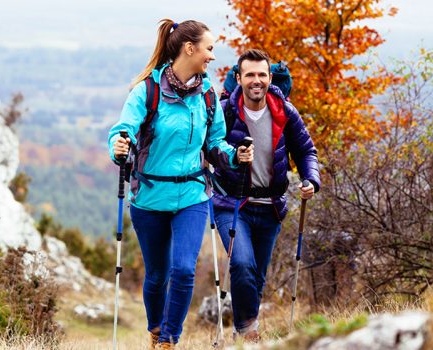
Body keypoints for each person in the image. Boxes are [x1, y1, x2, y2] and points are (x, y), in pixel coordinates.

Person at [108, 19, 249, 349]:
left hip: (192, 195)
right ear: (190, 49)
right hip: (150, 198)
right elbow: (122, 130)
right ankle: (156, 330)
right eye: (209, 49)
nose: (212, 57)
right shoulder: (148, 90)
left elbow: (215, 142)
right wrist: (117, 145)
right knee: (157, 276)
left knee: (184, 270)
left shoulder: (208, 94)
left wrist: (234, 155)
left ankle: (169, 341)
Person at [212, 49, 321, 342]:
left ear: (270, 78)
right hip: (232, 203)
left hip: (271, 206)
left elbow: (306, 151)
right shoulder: (225, 111)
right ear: (239, 78)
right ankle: (249, 332)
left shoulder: (285, 111)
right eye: (249, 75)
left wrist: (311, 179)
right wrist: (232, 156)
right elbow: (210, 150)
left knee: (256, 277)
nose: (256, 81)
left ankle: (241, 332)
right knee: (242, 264)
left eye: (262, 74)